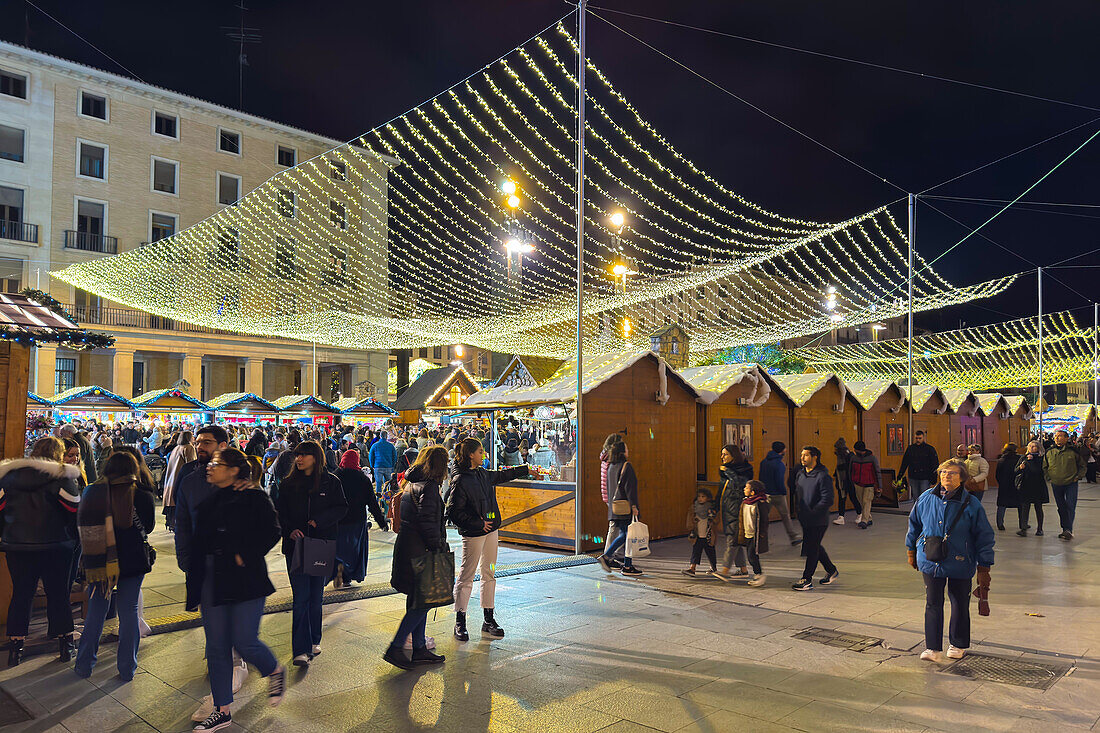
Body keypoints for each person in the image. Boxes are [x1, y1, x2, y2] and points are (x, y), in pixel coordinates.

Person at [188, 448, 286, 732]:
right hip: (211, 579)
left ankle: (273, 670)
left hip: (245, 579)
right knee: (217, 646)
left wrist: (246, 553)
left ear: (233, 470)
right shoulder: (210, 499)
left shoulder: (253, 496)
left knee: (244, 640)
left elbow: (272, 530)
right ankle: (222, 710)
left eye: (217, 464)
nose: (210, 467)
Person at [74, 451, 156, 680]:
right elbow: (147, 528)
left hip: (99, 561)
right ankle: (127, 668)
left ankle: (84, 665)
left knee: (96, 611)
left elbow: (81, 525)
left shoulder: (93, 491)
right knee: (129, 612)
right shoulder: (141, 493)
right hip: (133, 561)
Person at [0, 438, 82, 666]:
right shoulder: (61, 476)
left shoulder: (10, 475)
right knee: (58, 594)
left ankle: (15, 649)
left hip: (17, 546)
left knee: (21, 594)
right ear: (58, 454)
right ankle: (65, 645)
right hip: (56, 546)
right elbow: (74, 508)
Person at [906, 458, 995, 663]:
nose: (947, 476)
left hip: (961, 561)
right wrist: (911, 550)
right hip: (931, 559)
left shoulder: (971, 504)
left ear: (962, 478)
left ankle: (957, 643)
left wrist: (984, 566)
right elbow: (914, 525)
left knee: (959, 602)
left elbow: (984, 535)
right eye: (944, 472)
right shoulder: (926, 497)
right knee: (932, 602)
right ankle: (932, 647)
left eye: (952, 473)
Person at [446, 438, 531, 641]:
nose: (484, 454)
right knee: (467, 576)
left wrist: (525, 469)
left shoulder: (482, 473)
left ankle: (488, 619)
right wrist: (477, 524)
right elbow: (453, 512)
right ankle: (460, 621)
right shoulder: (461, 480)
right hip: (474, 535)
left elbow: (502, 475)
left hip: (491, 531)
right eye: (481, 451)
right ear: (470, 455)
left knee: (489, 573)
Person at [276, 440, 347, 666]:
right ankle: (300, 649)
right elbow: (279, 512)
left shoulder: (330, 482)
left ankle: (314, 638)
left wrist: (320, 522)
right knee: (301, 598)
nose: (298, 459)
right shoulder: (288, 484)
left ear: (315, 458)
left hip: (320, 545)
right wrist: (289, 530)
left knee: (315, 596)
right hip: (295, 547)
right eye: (297, 455)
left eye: (304, 455)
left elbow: (342, 507)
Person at [384, 445, 449, 670]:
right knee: (421, 603)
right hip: (421, 552)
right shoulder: (429, 488)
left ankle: (420, 648)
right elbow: (428, 523)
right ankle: (396, 646)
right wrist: (438, 547)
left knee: (419, 600)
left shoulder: (412, 483)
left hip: (407, 548)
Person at [333, 449, 387, 588]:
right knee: (354, 550)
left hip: (338, 520)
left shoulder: (335, 476)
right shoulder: (362, 478)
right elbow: (372, 502)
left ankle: (338, 568)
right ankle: (348, 577)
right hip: (356, 520)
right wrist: (381, 522)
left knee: (338, 548)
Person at [792, 446, 839, 591]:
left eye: (805, 455)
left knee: (812, 548)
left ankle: (807, 579)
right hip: (805, 518)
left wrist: (814, 511)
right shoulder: (800, 474)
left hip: (818, 519)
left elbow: (828, 499)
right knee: (815, 546)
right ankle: (831, 570)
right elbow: (797, 494)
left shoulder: (822, 476)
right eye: (801, 455)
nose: (802, 458)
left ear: (814, 457)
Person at [595, 440, 642, 577]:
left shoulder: (611, 467)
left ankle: (627, 565)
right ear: (622, 452)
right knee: (626, 536)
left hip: (615, 508)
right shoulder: (627, 466)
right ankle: (607, 556)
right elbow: (630, 489)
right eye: (626, 448)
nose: (628, 450)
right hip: (626, 508)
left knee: (627, 536)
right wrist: (634, 506)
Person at [715, 444, 753, 578]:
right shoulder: (726, 471)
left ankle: (725, 570)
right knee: (733, 538)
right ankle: (743, 570)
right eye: (722, 454)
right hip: (727, 510)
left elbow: (738, 486)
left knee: (732, 540)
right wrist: (715, 507)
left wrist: (728, 472)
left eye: (725, 454)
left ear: (733, 455)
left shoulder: (745, 470)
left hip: (737, 510)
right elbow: (721, 491)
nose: (722, 457)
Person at [1043, 429, 1086, 541]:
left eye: (1060, 436)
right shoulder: (1049, 452)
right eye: (1056, 436)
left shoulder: (1073, 451)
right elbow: (1044, 466)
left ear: (1067, 438)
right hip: (1056, 483)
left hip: (1071, 483)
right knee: (1061, 507)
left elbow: (1082, 466)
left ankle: (1068, 529)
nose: (1057, 438)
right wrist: (1049, 477)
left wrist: (1078, 476)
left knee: (1070, 506)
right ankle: (1065, 528)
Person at [759, 441, 801, 545]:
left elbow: (761, 478)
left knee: (763, 517)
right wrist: (783, 491)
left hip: (766, 493)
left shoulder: (764, 462)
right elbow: (779, 481)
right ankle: (793, 537)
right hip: (778, 494)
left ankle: (761, 538)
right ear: (782, 451)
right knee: (785, 516)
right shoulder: (780, 465)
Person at [599, 433, 626, 568]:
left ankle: (613, 553)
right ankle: (608, 555)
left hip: (608, 495)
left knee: (618, 526)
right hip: (612, 496)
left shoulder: (604, 457)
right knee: (614, 526)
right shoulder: (611, 459)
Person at [737, 480, 771, 586]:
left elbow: (764, 519)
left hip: (755, 535)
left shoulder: (760, 503)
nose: (744, 489)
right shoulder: (745, 502)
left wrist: (762, 533)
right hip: (747, 533)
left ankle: (759, 574)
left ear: (753, 492)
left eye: (747, 488)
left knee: (752, 556)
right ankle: (758, 574)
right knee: (751, 555)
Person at [681, 488, 719, 576]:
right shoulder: (694, 508)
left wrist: (712, 516)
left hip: (709, 535)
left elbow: (717, 521)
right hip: (697, 534)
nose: (700, 498)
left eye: (703, 496)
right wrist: (691, 525)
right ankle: (692, 568)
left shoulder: (712, 508)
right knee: (696, 552)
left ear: (708, 498)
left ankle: (713, 568)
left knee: (711, 552)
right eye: (699, 496)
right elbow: (689, 520)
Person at [164, 432, 196, 530]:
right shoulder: (188, 448)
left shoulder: (176, 448)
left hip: (170, 481)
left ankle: (172, 524)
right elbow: (191, 464)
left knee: (173, 507)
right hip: (181, 480)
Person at [1015, 441, 1048, 536]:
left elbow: (1038, 471)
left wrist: (1031, 462)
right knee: (1025, 507)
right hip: (1026, 485)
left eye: (1034, 446)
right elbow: (1015, 470)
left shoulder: (1041, 458)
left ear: (1038, 448)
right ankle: (1023, 528)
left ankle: (1040, 529)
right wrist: (1020, 467)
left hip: (1038, 486)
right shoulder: (1024, 457)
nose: (1032, 448)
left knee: (1038, 507)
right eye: (1030, 446)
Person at [848, 441, 881, 529]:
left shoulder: (872, 458)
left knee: (866, 501)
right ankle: (869, 518)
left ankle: (864, 521)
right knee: (862, 502)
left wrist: (879, 486)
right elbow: (850, 470)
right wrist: (852, 480)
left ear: (858, 450)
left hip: (869, 484)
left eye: (855, 449)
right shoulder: (854, 458)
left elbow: (878, 472)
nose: (854, 451)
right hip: (858, 484)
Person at [899, 430, 940, 500]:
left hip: (925, 476)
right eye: (916, 438)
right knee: (915, 496)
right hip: (913, 476)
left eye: (920, 438)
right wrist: (900, 474)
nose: (918, 440)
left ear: (923, 438)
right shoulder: (911, 448)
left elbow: (935, 464)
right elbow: (905, 462)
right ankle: (917, 510)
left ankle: (922, 510)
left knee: (923, 496)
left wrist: (934, 477)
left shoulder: (929, 449)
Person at [832, 438, 859, 525]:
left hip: (848, 480)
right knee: (842, 498)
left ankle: (860, 514)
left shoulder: (848, 456)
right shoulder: (841, 456)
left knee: (852, 497)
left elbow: (848, 468)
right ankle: (841, 517)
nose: (835, 450)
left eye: (836, 448)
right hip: (841, 481)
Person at [994, 443, 1020, 531]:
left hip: (1004, 485)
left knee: (1002, 505)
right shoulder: (1019, 459)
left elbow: (997, 474)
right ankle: (1023, 524)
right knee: (1020, 505)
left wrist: (1001, 482)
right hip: (1016, 485)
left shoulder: (1001, 460)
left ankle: (1000, 524)